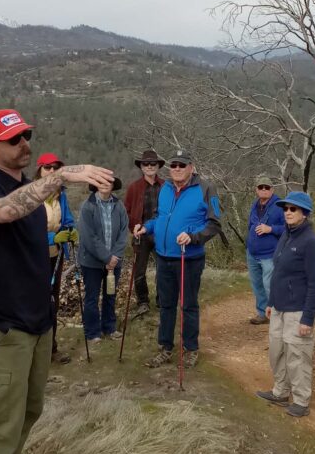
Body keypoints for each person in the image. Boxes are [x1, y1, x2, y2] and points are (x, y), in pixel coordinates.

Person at [0, 109, 112, 454]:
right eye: (14, 140)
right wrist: (60, 178)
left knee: (29, 407)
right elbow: (2, 213)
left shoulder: (30, 188)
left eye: (27, 136)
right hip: (4, 325)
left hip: (37, 320)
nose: (24, 144)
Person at [133, 149, 222, 369]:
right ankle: (165, 347)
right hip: (163, 257)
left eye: (182, 165)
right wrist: (146, 227)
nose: (177, 169)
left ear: (191, 167)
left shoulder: (206, 188)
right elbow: (159, 217)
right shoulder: (165, 188)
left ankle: (190, 349)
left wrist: (193, 237)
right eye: (174, 165)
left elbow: (214, 223)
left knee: (189, 305)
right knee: (166, 305)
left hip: (188, 259)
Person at [255, 192, 315, 417]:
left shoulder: (311, 242)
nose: (288, 213)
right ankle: (280, 392)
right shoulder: (286, 235)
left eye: (294, 209)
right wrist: (271, 302)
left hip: (299, 309)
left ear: (305, 213)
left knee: (297, 356)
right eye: (286, 209)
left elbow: (314, 283)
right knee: (277, 352)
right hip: (279, 306)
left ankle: (301, 401)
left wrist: (308, 318)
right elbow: (279, 272)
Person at [34, 152, 77, 365]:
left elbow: (67, 219)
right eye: (47, 167)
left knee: (52, 302)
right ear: (39, 170)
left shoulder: (61, 194)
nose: (51, 171)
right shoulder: (31, 195)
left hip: (56, 256)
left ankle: (51, 348)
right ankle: (35, 350)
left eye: (55, 168)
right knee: (37, 303)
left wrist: (71, 230)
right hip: (34, 258)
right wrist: (52, 236)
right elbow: (28, 231)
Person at [76, 176, 128, 345]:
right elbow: (88, 237)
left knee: (110, 295)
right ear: (96, 185)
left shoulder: (118, 205)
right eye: (101, 182)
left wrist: (115, 256)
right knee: (92, 297)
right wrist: (107, 257)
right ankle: (92, 332)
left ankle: (109, 327)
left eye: (109, 182)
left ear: (113, 185)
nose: (105, 185)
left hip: (114, 261)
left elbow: (123, 232)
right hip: (91, 262)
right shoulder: (87, 206)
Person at [123, 149, 165, 317]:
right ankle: (143, 302)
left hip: (161, 233)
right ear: (141, 166)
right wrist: (133, 227)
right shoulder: (134, 187)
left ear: (158, 166)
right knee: (139, 270)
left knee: (163, 268)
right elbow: (126, 211)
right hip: (140, 234)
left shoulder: (165, 186)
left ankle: (162, 300)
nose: (149, 166)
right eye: (146, 164)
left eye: (152, 164)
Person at [245, 175, 285, 325]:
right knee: (258, 286)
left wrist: (270, 229)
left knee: (270, 285)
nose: (263, 190)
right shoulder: (255, 205)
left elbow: (287, 228)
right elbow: (250, 225)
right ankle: (262, 313)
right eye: (260, 187)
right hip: (252, 253)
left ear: (272, 190)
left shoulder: (280, 206)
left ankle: (277, 314)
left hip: (269, 254)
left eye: (266, 187)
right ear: (256, 189)